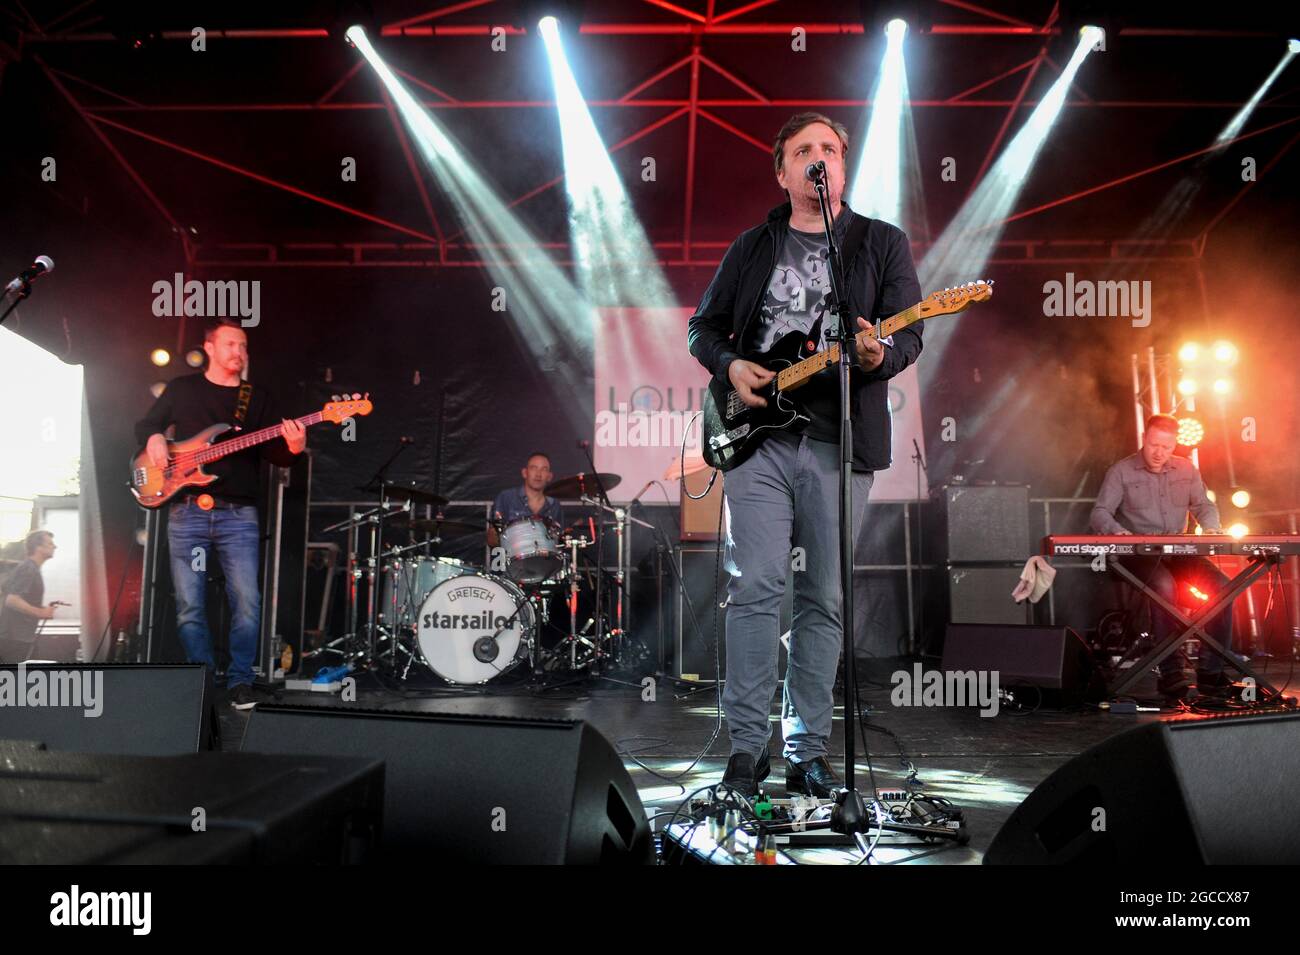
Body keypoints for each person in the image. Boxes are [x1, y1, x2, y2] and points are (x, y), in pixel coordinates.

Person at [687, 112, 924, 797]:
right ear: (783, 171)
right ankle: (745, 746)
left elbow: (909, 337)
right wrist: (731, 364)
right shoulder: (753, 244)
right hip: (758, 439)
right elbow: (703, 326)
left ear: (842, 167)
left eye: (829, 149)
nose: (818, 158)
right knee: (755, 585)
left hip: (839, 439)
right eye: (803, 150)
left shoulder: (881, 243)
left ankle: (808, 748)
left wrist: (881, 351)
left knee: (823, 595)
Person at [135, 318, 306, 709]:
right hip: (187, 511)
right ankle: (203, 682)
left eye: (244, 346)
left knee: (247, 601)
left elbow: (272, 452)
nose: (240, 353)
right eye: (232, 344)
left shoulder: (255, 397)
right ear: (209, 348)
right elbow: (146, 423)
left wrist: (293, 448)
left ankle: (240, 682)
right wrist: (156, 436)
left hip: (238, 515)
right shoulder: (182, 389)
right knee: (189, 604)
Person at [1091, 413, 1233, 699]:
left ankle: (1210, 671)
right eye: (1154, 445)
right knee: (1164, 587)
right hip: (1138, 553)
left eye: (1166, 447)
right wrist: (1116, 532)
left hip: (1178, 551)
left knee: (1223, 586)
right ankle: (1171, 673)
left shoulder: (1187, 469)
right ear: (1145, 439)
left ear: (1175, 445)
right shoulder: (1121, 471)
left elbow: (1204, 505)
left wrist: (1212, 527)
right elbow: (1100, 513)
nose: (1159, 453)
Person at [0, 530, 58, 663]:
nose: (54, 546)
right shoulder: (29, 568)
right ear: (38, 547)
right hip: (16, 638)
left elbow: (15, 597)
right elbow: (12, 600)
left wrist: (41, 608)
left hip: (17, 636)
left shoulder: (28, 568)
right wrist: (41, 612)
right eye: (50, 543)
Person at [486, 452, 564, 548]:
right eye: (533, 468)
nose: (538, 474)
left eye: (544, 469)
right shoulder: (506, 498)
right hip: (511, 559)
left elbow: (559, 542)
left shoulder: (554, 505)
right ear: (524, 473)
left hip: (545, 560)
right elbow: (492, 541)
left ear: (549, 476)